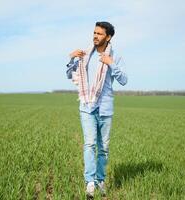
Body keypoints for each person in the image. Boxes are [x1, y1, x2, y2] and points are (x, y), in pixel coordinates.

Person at [66, 21, 127, 198]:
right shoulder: (85, 55)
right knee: (90, 144)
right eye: (94, 32)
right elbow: (70, 75)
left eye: (99, 34)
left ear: (108, 37)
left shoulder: (115, 56)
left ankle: (100, 181)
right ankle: (90, 183)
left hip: (105, 108)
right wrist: (71, 58)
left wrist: (111, 63)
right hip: (87, 106)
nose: (95, 36)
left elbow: (124, 80)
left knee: (104, 148)